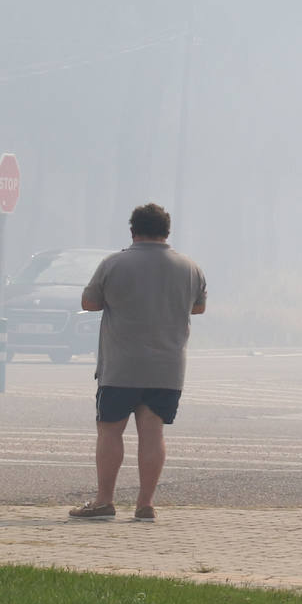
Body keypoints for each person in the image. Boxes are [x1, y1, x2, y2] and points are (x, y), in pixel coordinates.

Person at [69, 203, 207, 522]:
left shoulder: (114, 263)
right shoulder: (189, 267)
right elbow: (198, 308)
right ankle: (145, 504)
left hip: (121, 366)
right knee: (152, 432)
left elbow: (89, 303)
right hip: (167, 368)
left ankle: (104, 501)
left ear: (132, 231)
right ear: (167, 232)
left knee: (110, 431)